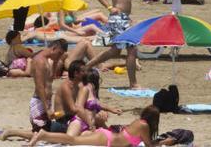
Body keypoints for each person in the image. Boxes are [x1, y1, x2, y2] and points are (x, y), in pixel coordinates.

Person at [83, 0, 140, 89]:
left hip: (123, 18)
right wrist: (109, 7)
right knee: (132, 49)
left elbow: (122, 0)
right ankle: (133, 84)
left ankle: (86, 67)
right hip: (118, 18)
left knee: (115, 51)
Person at [8, 106, 160, 147]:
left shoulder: (138, 122)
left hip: (107, 137)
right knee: (72, 140)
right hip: (106, 139)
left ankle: (43, 135)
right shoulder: (144, 126)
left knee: (73, 140)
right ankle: (43, 135)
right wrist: (164, 143)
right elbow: (148, 145)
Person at [30, 39, 69, 131]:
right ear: (54, 48)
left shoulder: (47, 61)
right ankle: (12, 132)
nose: (59, 56)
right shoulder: (40, 61)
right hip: (40, 102)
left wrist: (55, 62)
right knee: (41, 132)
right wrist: (46, 108)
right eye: (59, 53)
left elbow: (51, 79)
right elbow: (40, 86)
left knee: (48, 128)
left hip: (46, 101)